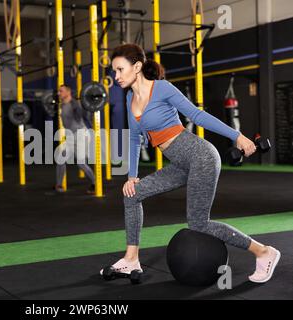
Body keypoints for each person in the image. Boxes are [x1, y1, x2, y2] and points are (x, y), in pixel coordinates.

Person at [103, 43, 280, 283]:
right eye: (114, 71)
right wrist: (132, 176)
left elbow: (196, 115)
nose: (116, 76)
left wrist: (237, 136)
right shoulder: (129, 98)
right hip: (180, 163)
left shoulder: (162, 88)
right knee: (132, 194)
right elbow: (134, 138)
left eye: (120, 70)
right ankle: (131, 259)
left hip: (201, 157)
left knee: (198, 223)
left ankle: (264, 252)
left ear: (137, 67)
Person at [55, 84, 96, 194]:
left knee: (81, 163)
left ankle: (94, 183)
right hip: (70, 136)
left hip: (81, 134)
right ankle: (59, 185)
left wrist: (80, 108)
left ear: (68, 92)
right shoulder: (62, 105)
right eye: (58, 91)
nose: (59, 93)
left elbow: (82, 115)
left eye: (61, 91)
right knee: (60, 157)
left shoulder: (75, 104)